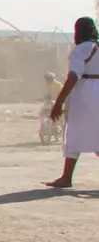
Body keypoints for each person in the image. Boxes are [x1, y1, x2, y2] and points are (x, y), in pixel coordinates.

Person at [45, 17, 99, 188]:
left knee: (74, 133)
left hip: (85, 94)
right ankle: (66, 177)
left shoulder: (79, 50)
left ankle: (67, 178)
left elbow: (73, 76)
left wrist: (59, 102)